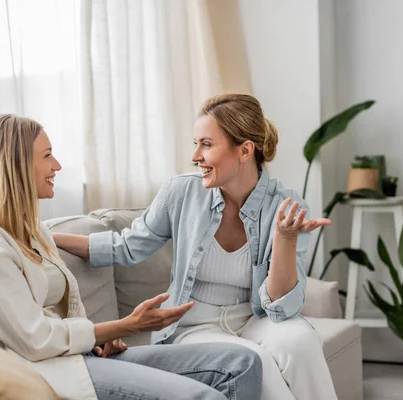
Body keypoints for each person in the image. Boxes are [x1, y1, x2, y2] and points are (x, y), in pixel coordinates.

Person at [0, 114, 263, 400]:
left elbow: (61, 315)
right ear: (17, 165)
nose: (57, 166)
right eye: (47, 155)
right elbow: (34, 340)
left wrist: (96, 340)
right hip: (45, 372)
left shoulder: (29, 232)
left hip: (79, 358)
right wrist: (119, 327)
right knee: (200, 396)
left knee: (241, 363)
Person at [53, 94, 338, 400]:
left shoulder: (286, 206)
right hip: (194, 325)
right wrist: (46, 237)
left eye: (206, 144)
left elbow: (283, 306)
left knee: (302, 342)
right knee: (258, 363)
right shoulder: (181, 192)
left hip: (257, 318)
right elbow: (126, 247)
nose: (195, 156)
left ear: (244, 150)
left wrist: (285, 238)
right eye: (196, 143)